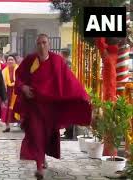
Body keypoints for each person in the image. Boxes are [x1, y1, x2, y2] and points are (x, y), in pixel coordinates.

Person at [14, 34, 91, 179]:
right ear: (36, 46)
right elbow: (19, 77)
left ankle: (42, 158)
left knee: (47, 136)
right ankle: (39, 168)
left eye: (44, 43)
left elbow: (69, 80)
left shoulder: (57, 61)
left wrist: (83, 95)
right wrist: (23, 87)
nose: (42, 46)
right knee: (36, 134)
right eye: (39, 43)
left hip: (51, 108)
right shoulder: (30, 60)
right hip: (34, 106)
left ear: (49, 45)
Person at [1, 55, 20, 132]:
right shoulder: (4, 71)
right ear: (6, 61)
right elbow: (2, 83)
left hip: (17, 91)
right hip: (7, 91)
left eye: (12, 59)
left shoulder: (18, 69)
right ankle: (7, 126)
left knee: (19, 107)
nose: (10, 61)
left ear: (15, 61)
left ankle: (22, 125)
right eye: (9, 60)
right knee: (6, 109)